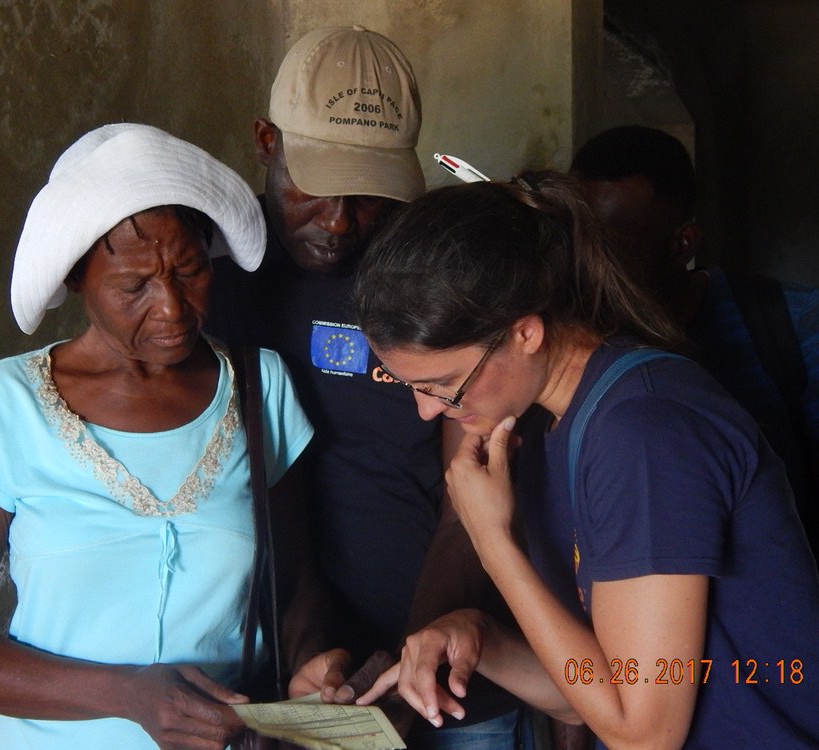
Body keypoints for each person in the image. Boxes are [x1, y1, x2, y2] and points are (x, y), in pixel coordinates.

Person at [352, 175, 819, 748]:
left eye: (444, 384)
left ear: (524, 332)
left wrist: (491, 540)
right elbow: (590, 697)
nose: (428, 412)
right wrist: (480, 637)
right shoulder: (558, 424)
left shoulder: (643, 433)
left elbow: (644, 733)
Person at [0, 123, 317, 749]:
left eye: (191, 272)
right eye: (134, 285)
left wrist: (315, 664)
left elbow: (298, 584)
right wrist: (125, 696)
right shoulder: (6, 403)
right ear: (76, 279)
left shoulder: (260, 391)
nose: (172, 308)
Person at [206, 25, 525, 749]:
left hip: (448, 683)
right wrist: (303, 661)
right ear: (264, 140)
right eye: (316, 185)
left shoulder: (436, 269)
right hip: (285, 677)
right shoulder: (214, 275)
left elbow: (467, 493)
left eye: (371, 192)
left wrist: (413, 671)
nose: (341, 220)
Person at [569, 124, 819, 720]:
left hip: (774, 666)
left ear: (682, 242)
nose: (588, 266)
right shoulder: (576, 346)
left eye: (613, 244)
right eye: (580, 240)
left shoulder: (789, 322)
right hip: (637, 671)